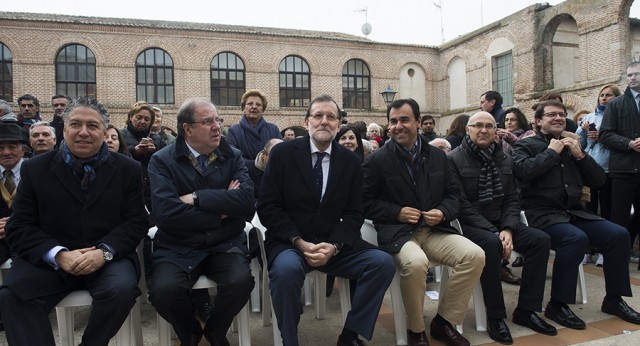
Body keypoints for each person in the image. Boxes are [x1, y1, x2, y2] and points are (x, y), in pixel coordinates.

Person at [0, 96, 148, 345]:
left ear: (104, 131)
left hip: (106, 260)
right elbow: (19, 226)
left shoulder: (127, 169)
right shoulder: (35, 169)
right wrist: (58, 254)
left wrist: (104, 252)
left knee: (121, 290)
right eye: (75, 124)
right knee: (12, 295)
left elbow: (136, 222)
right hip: (51, 262)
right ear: (64, 129)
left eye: (92, 126)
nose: (83, 132)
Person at [258, 94, 395, 346]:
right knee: (286, 272)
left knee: (382, 263)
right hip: (291, 243)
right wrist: (299, 241)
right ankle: (289, 339)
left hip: (335, 245)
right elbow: (268, 206)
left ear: (338, 123)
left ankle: (350, 335)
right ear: (307, 121)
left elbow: (355, 212)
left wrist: (334, 246)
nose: (324, 121)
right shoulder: (283, 154)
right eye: (318, 115)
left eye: (331, 117)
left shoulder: (351, 161)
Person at [363, 98, 484, 346]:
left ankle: (443, 322)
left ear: (418, 122)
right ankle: (416, 330)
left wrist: (442, 212)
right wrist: (396, 212)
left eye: (404, 120)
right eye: (393, 121)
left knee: (474, 255)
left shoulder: (438, 157)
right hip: (398, 234)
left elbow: (454, 196)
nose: (398, 126)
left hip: (434, 230)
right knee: (416, 264)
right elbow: (364, 203)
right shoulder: (377, 160)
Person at [513, 100, 640, 329]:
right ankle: (558, 304)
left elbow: (599, 181)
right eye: (551, 115)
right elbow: (523, 173)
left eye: (561, 114)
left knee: (619, 234)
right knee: (575, 239)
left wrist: (580, 155)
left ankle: (614, 299)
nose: (558, 118)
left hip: (573, 213)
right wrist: (551, 153)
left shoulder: (573, 145)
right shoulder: (526, 146)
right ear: (538, 121)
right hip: (541, 215)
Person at [148, 98, 255, 345]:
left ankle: (215, 331)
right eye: (207, 122)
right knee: (164, 291)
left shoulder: (232, 156)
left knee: (241, 282)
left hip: (224, 243)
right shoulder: (162, 160)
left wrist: (196, 198)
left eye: (218, 120)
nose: (217, 126)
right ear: (187, 128)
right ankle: (191, 332)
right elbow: (166, 213)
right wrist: (222, 209)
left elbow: (247, 201)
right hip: (178, 245)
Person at [448, 111, 556, 344]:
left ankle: (526, 311)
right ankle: (495, 316)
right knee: (490, 244)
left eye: (489, 126)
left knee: (540, 240)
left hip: (502, 223)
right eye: (478, 125)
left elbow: (512, 199)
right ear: (468, 130)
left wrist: (507, 228)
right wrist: (496, 233)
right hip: (470, 225)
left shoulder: (504, 159)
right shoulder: (454, 159)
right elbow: (460, 205)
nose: (484, 130)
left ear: (496, 130)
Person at [600, 61, 640, 254]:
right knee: (619, 216)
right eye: (630, 75)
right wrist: (629, 144)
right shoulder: (616, 104)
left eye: (637, 74)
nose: (633, 78)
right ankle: (617, 254)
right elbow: (605, 134)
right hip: (624, 169)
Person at [577, 84, 621, 221]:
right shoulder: (589, 116)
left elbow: (621, 140)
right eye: (601, 95)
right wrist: (582, 131)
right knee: (590, 203)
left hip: (610, 167)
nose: (604, 98)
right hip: (590, 166)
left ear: (617, 98)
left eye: (608, 95)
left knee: (607, 204)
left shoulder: (619, 117)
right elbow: (580, 143)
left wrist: (601, 138)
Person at [227, 89, 282, 200]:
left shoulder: (273, 129)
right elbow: (232, 159)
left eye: (258, 104)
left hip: (270, 184)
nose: (254, 107)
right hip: (245, 184)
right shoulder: (234, 130)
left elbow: (281, 155)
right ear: (243, 108)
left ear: (263, 109)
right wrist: (258, 163)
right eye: (250, 104)